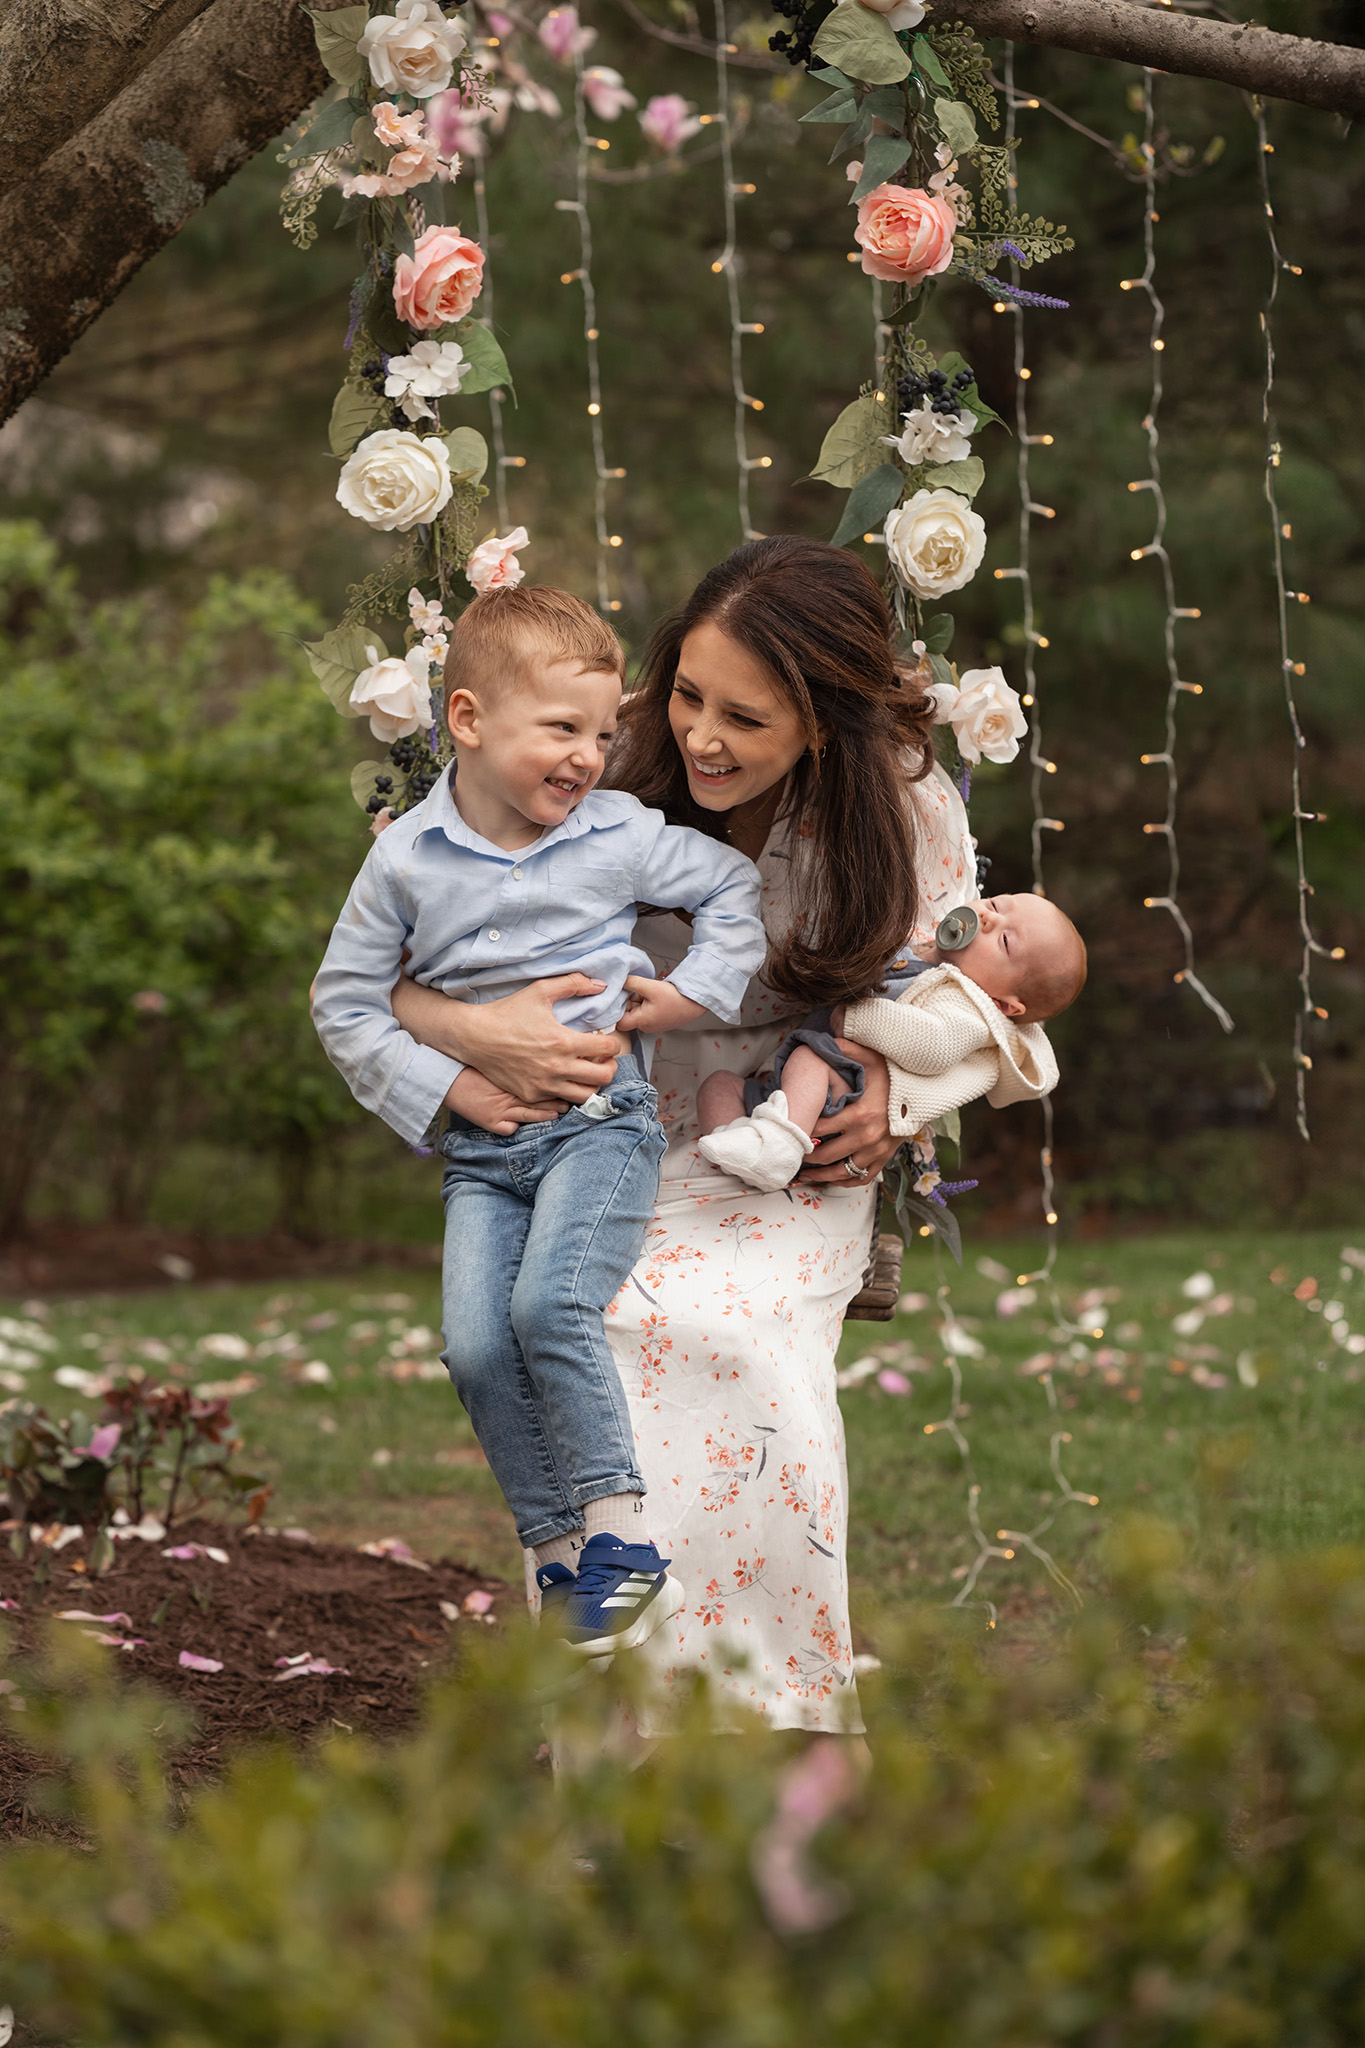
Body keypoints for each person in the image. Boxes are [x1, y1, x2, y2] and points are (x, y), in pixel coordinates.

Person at [388, 536, 981, 1734]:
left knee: (737, 1333)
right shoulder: (596, 764)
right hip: (615, 1123)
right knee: (582, 1323)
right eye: (691, 695)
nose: (702, 736)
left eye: (745, 718)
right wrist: (485, 1038)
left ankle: (774, 1717)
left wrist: (900, 1104)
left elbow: (972, 1001)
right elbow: (392, 977)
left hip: (793, 1140)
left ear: (822, 723)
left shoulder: (906, 806)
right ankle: (613, 1725)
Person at [312, 586, 766, 1658]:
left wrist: (696, 989)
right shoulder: (406, 862)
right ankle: (561, 1553)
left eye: (604, 733)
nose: (587, 756)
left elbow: (734, 886)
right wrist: (446, 1091)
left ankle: (625, 1536)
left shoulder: (618, 833)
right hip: (480, 1149)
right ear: (467, 720)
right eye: (561, 729)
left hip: (599, 1121)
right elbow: (342, 999)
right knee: (473, 1344)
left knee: (550, 1302)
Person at [696, 893, 1085, 1192]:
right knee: (719, 1087)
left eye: (1003, 940)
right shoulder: (921, 955)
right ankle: (746, 1154)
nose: (986, 916)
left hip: (842, 1094)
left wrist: (856, 1018)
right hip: (787, 1094)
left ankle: (778, 1147)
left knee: (808, 1059)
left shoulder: (969, 1008)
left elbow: (934, 1046)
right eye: (996, 903)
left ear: (1004, 1004)